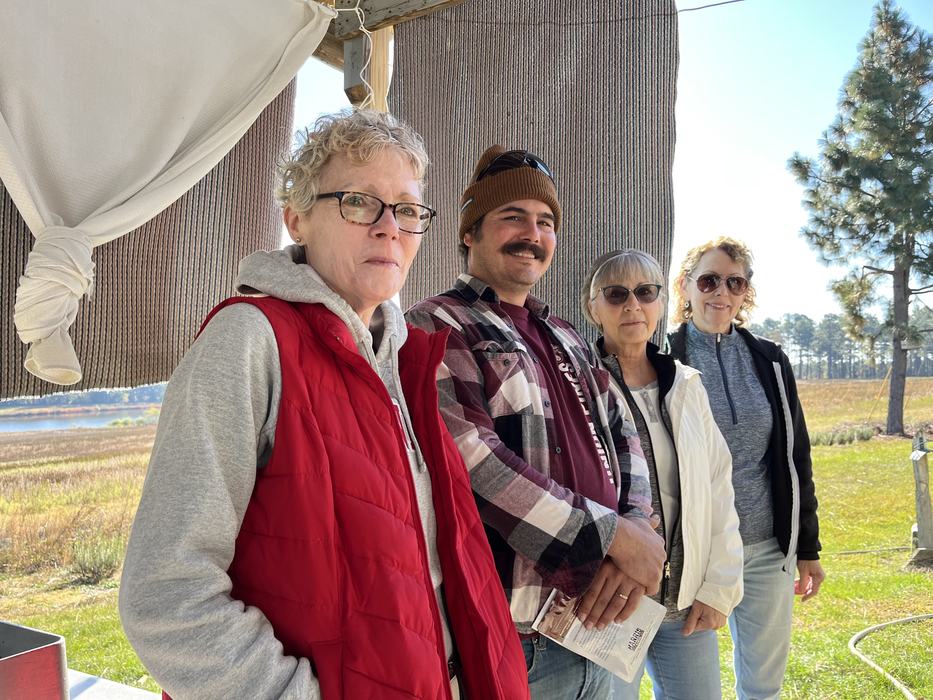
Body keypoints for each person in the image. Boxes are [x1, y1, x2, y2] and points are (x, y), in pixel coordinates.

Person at [119, 111, 529, 700]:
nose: (390, 228)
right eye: (360, 201)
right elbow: (165, 596)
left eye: (408, 210)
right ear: (297, 217)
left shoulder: (406, 358)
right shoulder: (251, 340)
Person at [405, 146, 666, 699]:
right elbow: (473, 462)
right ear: (470, 233)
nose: (533, 233)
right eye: (512, 218)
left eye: (545, 222)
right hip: (518, 629)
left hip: (603, 621)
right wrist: (614, 538)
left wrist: (637, 529)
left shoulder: (567, 334)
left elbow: (626, 435)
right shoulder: (437, 324)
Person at [580, 249, 743, 700]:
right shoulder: (576, 388)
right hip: (610, 603)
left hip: (685, 600)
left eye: (646, 292)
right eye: (616, 294)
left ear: (660, 303)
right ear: (592, 307)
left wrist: (719, 588)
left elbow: (718, 490)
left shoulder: (687, 385)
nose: (632, 305)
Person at [667, 236, 825, 700]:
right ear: (686, 286)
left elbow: (796, 456)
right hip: (695, 553)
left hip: (765, 549)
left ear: (745, 293)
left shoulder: (770, 360)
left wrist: (807, 546)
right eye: (709, 280)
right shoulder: (665, 359)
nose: (721, 292)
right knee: (691, 689)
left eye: (734, 283)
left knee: (763, 686)